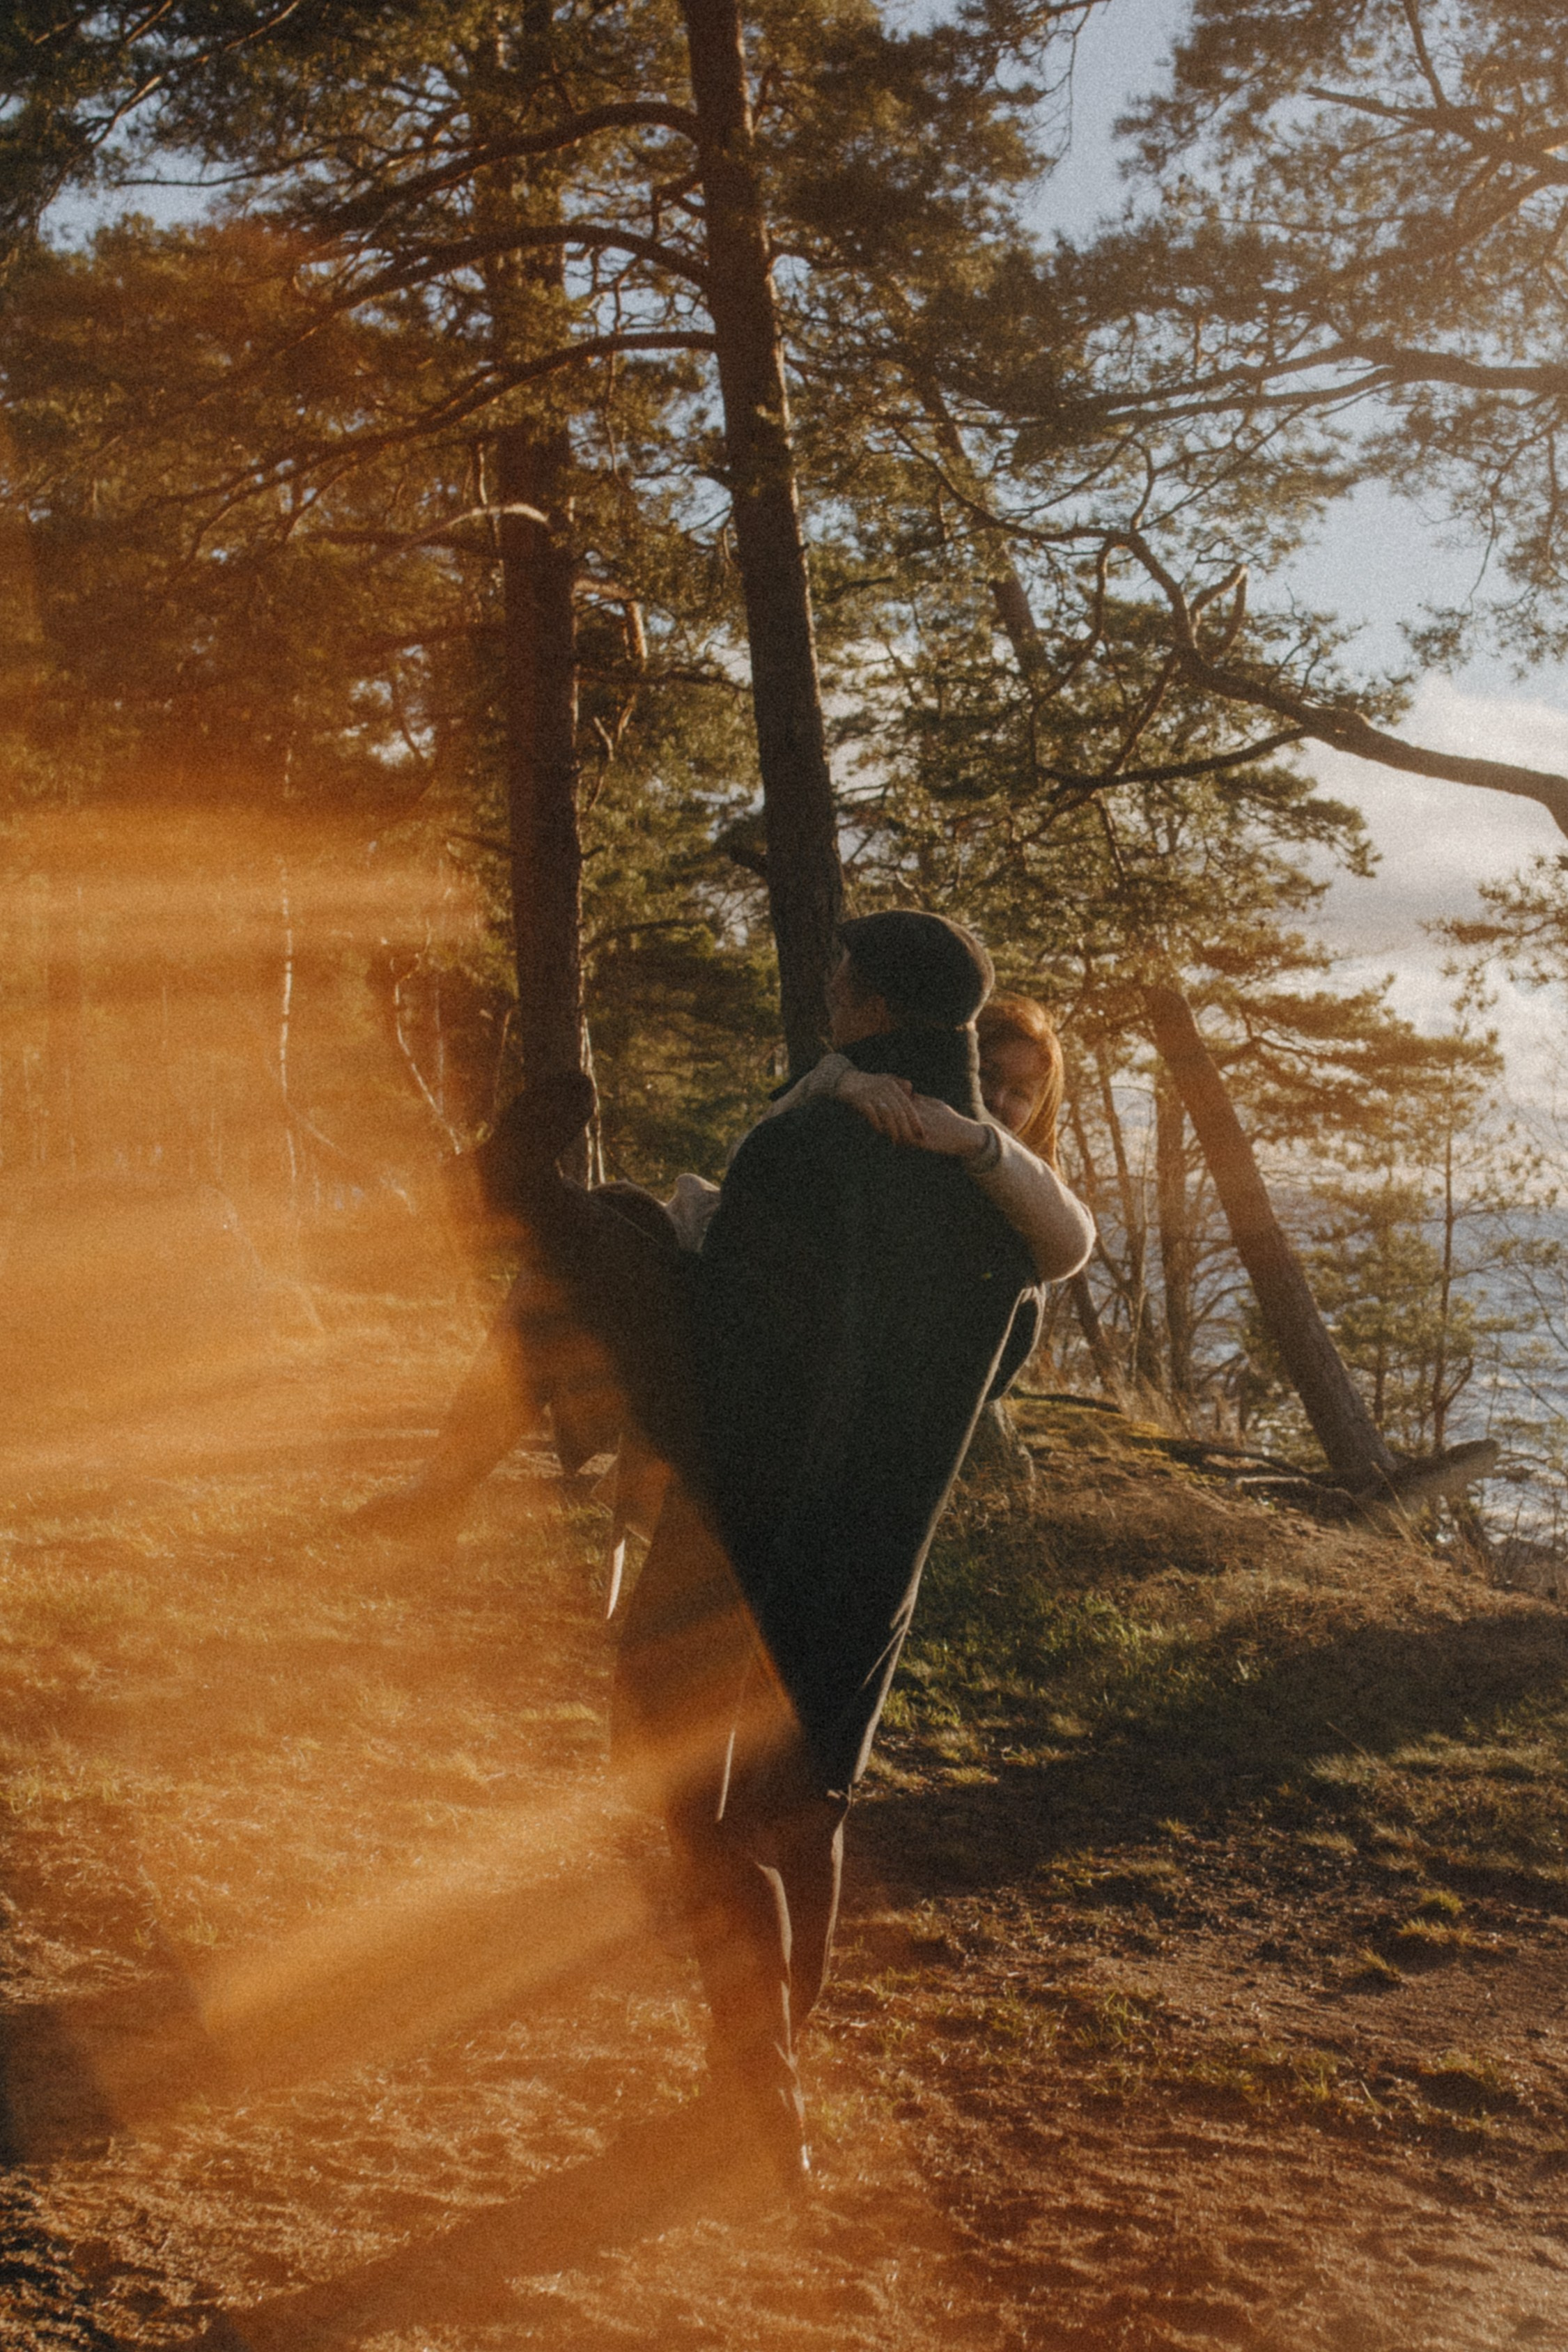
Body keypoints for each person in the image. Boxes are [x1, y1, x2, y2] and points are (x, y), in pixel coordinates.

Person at [359, 978, 1089, 1545]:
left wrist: (978, 1140)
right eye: (986, 1073)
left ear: (1042, 1106)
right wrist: (839, 1079)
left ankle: (508, 1201)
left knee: (583, 1251)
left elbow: (1072, 1242)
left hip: (776, 1401)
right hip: (725, 1315)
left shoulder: (1008, 1181)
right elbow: (753, 1170)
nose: (995, 1098)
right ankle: (445, 1485)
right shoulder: (899, 1115)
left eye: (1019, 1092)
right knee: (610, 1220)